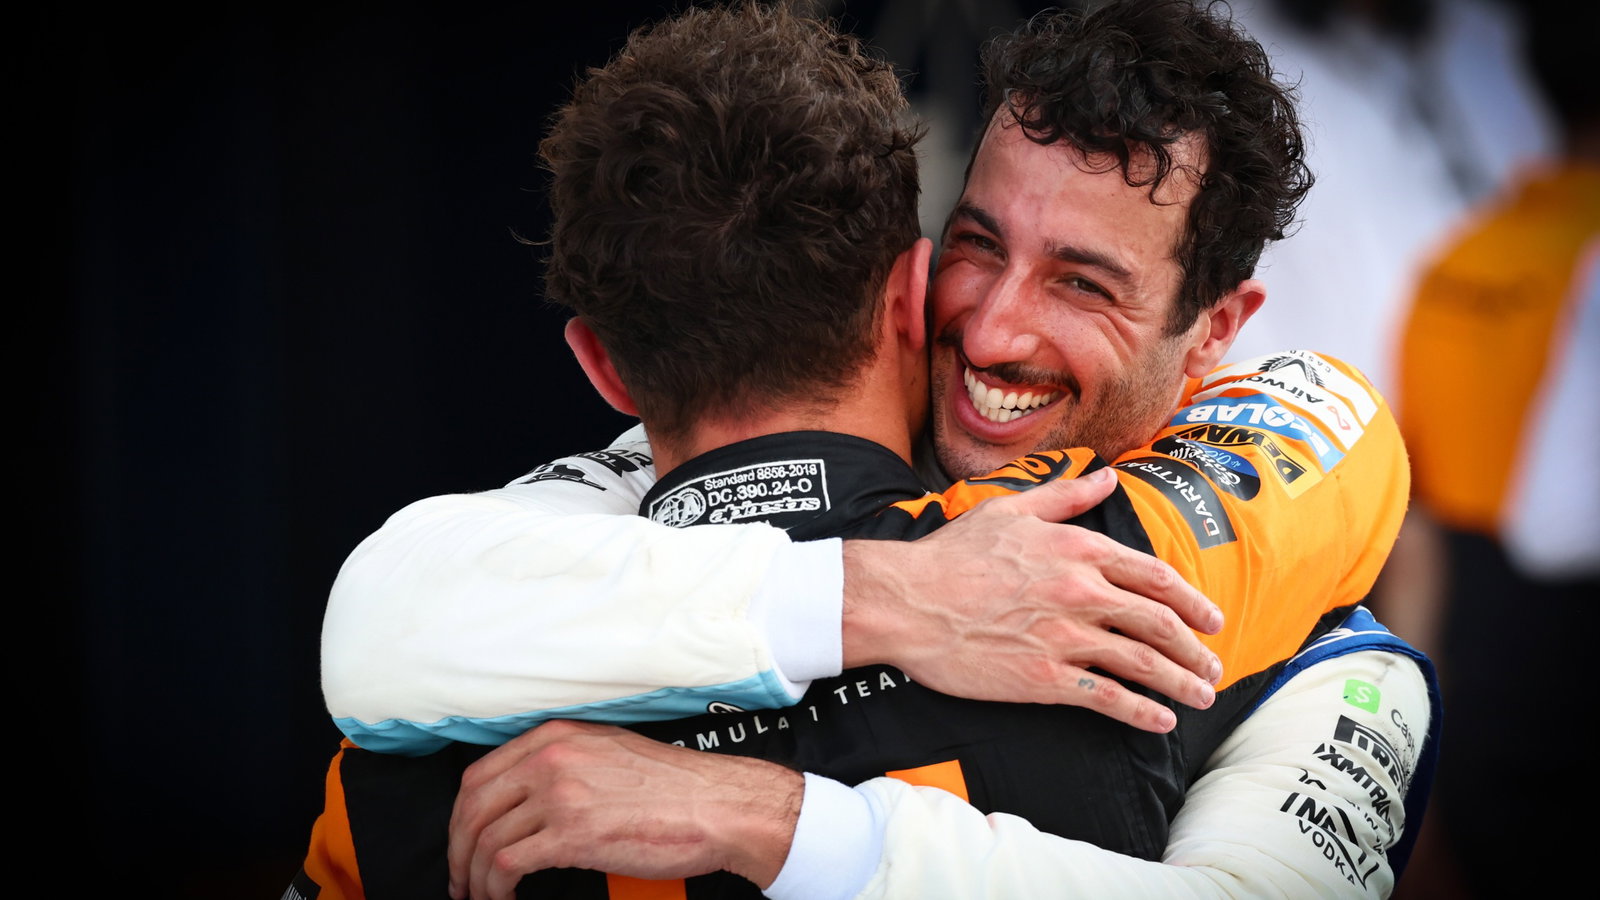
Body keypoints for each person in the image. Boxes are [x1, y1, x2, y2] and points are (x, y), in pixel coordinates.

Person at [300, 2, 1440, 898]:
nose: (992, 328)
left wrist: (762, 817)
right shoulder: (603, 522)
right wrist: (893, 595)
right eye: (977, 246)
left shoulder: (1316, 647)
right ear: (910, 282)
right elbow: (380, 623)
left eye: (1082, 284)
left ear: (1218, 333)